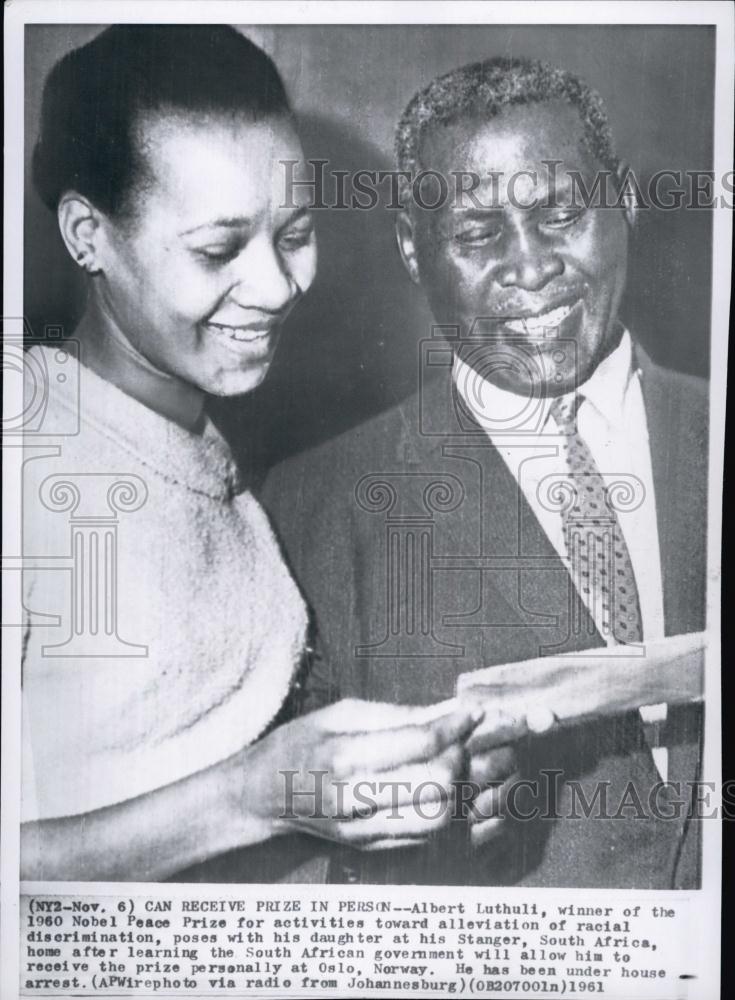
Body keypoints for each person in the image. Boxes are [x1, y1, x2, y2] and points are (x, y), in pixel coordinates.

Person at [20, 25, 498, 883]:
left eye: (294, 232)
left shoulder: (205, 450)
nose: (278, 287)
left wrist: (411, 783)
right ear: (88, 235)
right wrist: (251, 799)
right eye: (217, 250)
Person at [263, 57, 707, 888]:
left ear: (626, 205)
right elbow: (275, 872)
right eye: (476, 236)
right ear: (410, 249)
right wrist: (401, 857)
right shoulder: (306, 514)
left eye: (561, 214)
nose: (530, 267)